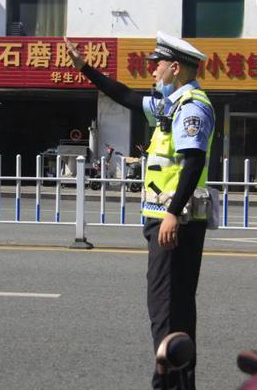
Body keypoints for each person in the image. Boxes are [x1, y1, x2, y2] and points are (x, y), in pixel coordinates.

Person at [65, 32, 215, 390]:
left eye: (157, 65)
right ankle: (179, 384)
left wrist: (172, 214)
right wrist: (86, 68)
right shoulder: (171, 104)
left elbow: (193, 163)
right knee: (174, 309)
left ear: (174, 68)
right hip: (167, 221)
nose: (152, 71)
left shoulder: (191, 107)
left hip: (174, 223)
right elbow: (125, 96)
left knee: (166, 310)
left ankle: (167, 383)